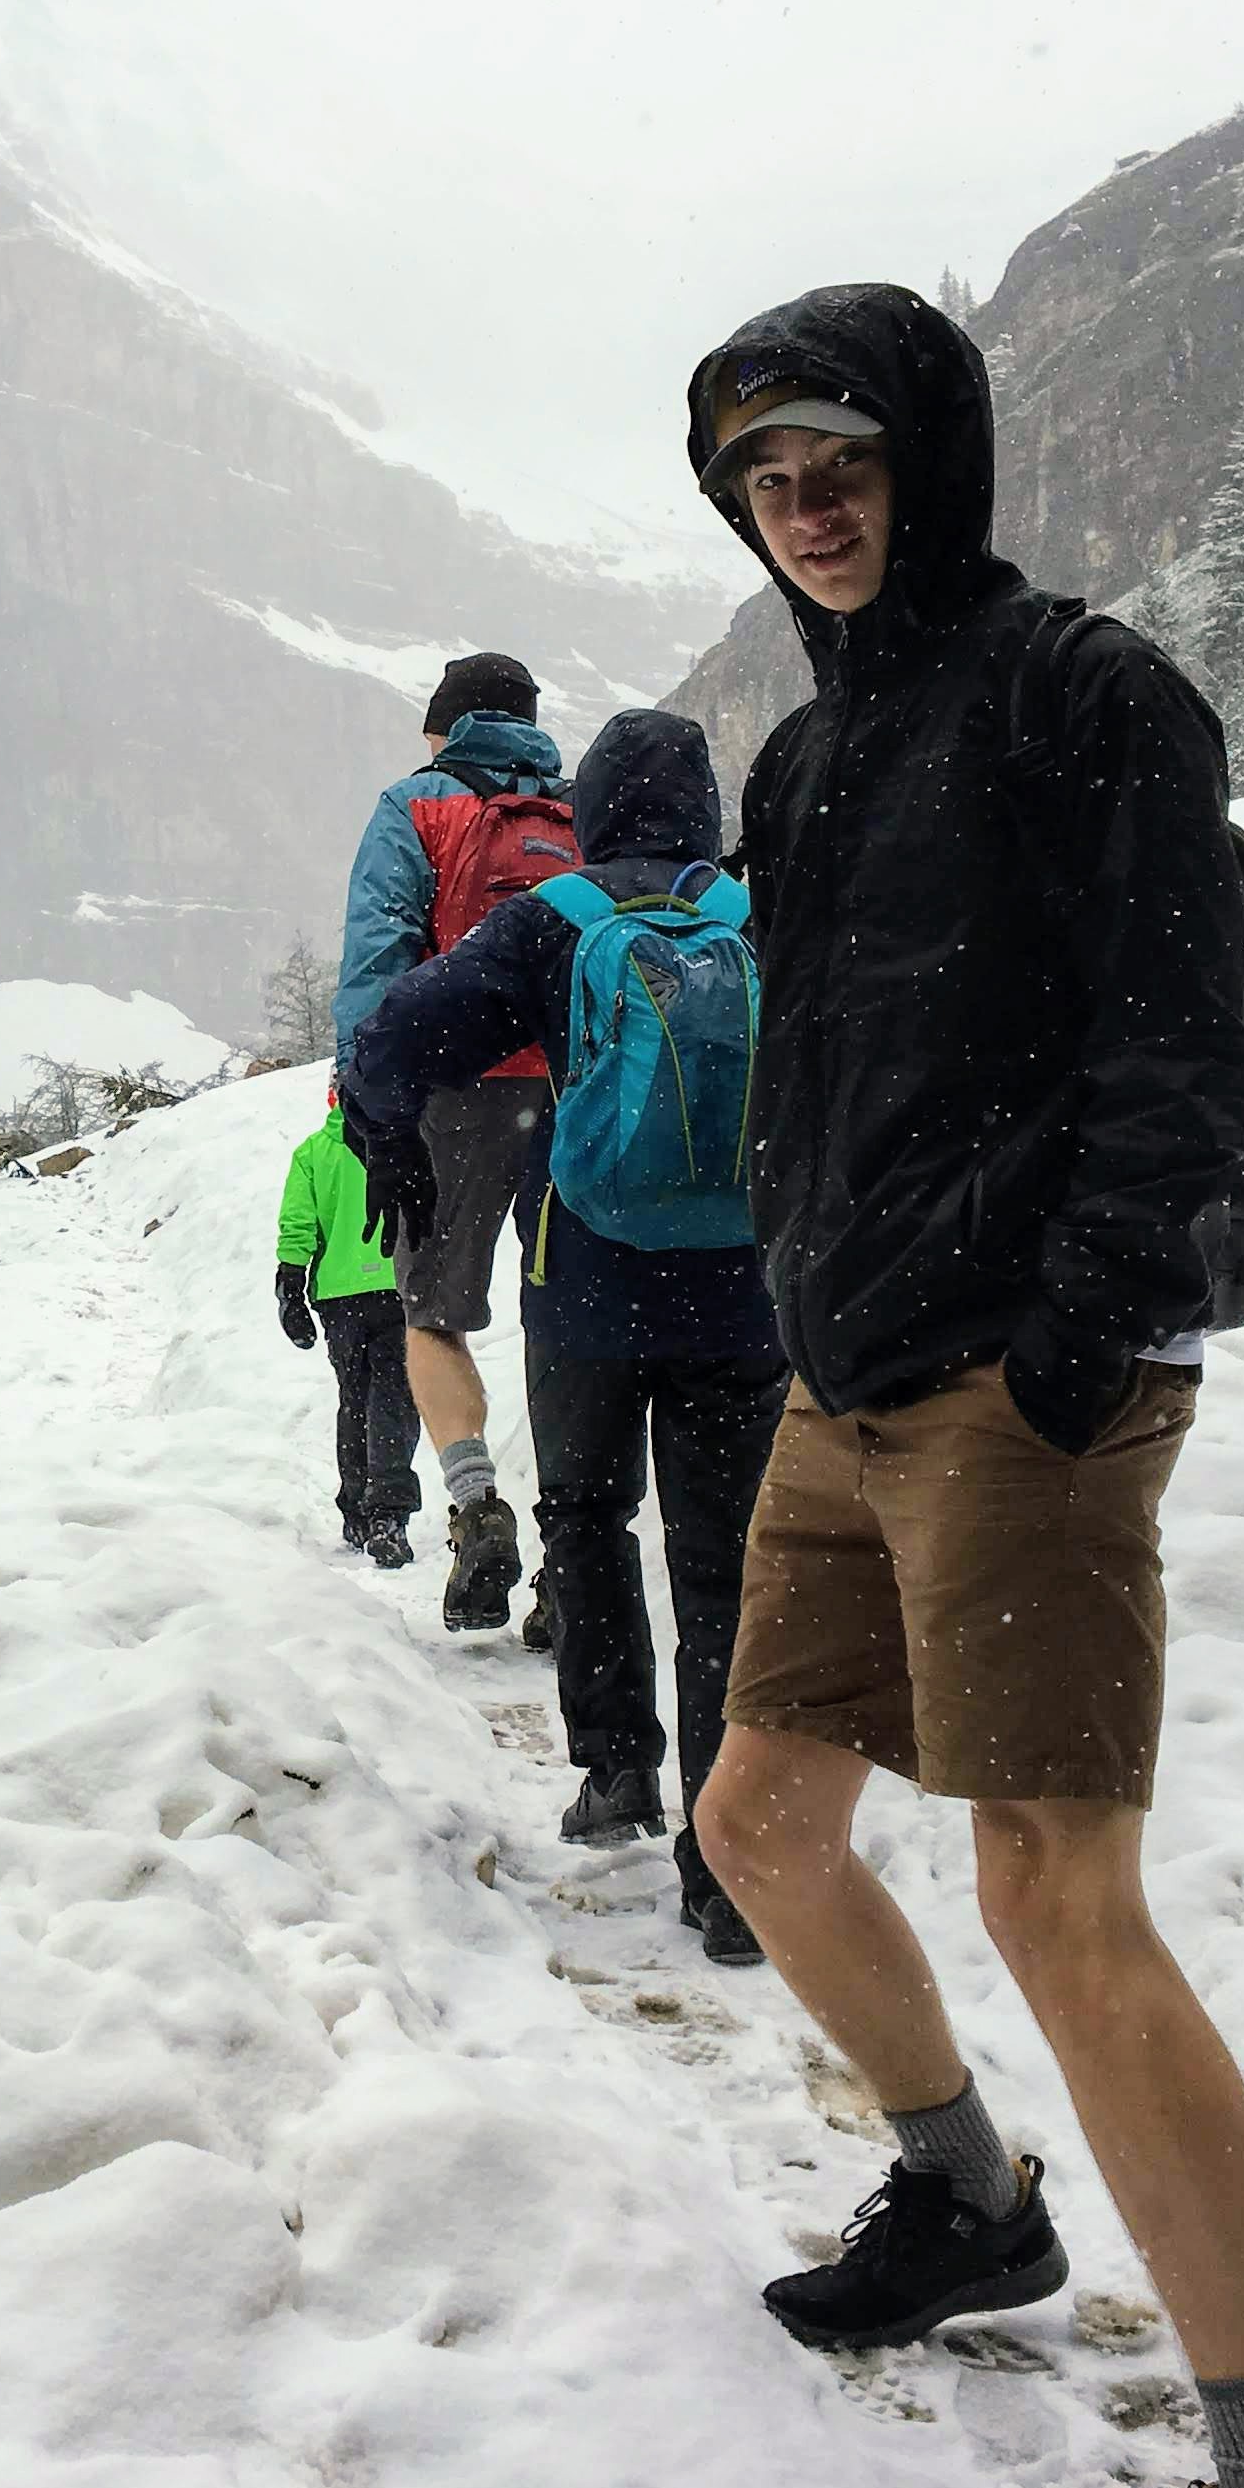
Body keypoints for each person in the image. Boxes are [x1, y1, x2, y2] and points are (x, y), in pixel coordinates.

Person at [680, 284, 1244, 2488]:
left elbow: (1179, 1037)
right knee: (762, 1823)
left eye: (840, 453)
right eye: (759, 471)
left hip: (1027, 1382)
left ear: (931, 453)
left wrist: (1089, 1315)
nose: (805, 500)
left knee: (1053, 1892)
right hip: (850, 1369)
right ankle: (971, 2205)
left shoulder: (1083, 695)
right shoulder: (796, 772)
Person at [340, 709, 784, 1967]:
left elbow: (393, 1037)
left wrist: (386, 1143)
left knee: (589, 1519)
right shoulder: (758, 919)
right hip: (743, 1293)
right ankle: (730, 1868)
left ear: (590, 805)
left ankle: (614, 1775)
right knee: (725, 1566)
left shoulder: (557, 920)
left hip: (586, 1282)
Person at [331, 651, 568, 1631]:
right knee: (567, 1325)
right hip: (569, 1089)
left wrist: (364, 1100)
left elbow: (379, 956)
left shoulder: (416, 805)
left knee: (432, 1315)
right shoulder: (577, 809)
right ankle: (575, 1553)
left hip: (451, 1094)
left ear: (447, 725)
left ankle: (475, 1507)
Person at [273, 1081, 417, 1569]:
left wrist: (290, 1286)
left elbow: (298, 1223)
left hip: (340, 1299)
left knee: (355, 1399)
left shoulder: (313, 1152)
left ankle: (356, 1509)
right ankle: (388, 1517)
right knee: (394, 1399)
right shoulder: (406, 1136)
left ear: (334, 1097)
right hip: (400, 1287)